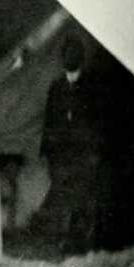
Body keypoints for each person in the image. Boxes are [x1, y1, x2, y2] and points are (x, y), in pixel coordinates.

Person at [35, 34, 101, 254]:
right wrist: (47, 151)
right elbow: (49, 120)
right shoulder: (56, 87)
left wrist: (93, 151)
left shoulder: (91, 87)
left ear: (81, 58)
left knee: (82, 197)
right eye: (66, 54)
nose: (70, 58)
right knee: (61, 196)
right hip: (60, 154)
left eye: (74, 54)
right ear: (62, 58)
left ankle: (81, 242)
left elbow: (97, 121)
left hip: (83, 153)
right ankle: (61, 241)